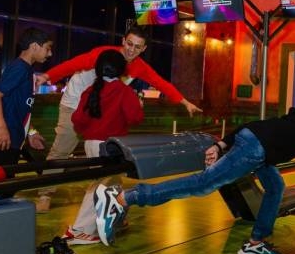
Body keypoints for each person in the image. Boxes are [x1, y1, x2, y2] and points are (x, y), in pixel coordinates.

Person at [92, 107, 295, 254]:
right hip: (255, 151)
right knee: (202, 184)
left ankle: (256, 243)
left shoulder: (283, 122)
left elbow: (249, 126)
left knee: (275, 186)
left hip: (250, 142)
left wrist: (219, 145)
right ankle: (124, 198)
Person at [38, 26, 201, 163]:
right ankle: (46, 189)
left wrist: (185, 102)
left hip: (98, 111)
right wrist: (47, 76)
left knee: (102, 157)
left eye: (137, 47)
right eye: (129, 44)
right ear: (123, 41)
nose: (132, 50)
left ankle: (99, 188)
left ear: (143, 49)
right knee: (62, 151)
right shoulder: (103, 54)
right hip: (75, 104)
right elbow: (73, 64)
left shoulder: (139, 66)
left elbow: (161, 83)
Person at [63, 49, 145, 244]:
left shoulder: (90, 90)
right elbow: (135, 117)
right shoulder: (123, 91)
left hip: (91, 144)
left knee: (112, 184)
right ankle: (80, 230)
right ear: (122, 70)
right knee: (101, 185)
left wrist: (90, 130)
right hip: (111, 146)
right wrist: (139, 105)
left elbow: (78, 120)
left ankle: (117, 219)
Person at [0, 28, 54, 166]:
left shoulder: (26, 69)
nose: (50, 53)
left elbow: (21, 107)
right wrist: (1, 128)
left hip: (10, 136)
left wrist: (31, 132)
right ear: (34, 46)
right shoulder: (20, 68)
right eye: (47, 48)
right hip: (1, 138)